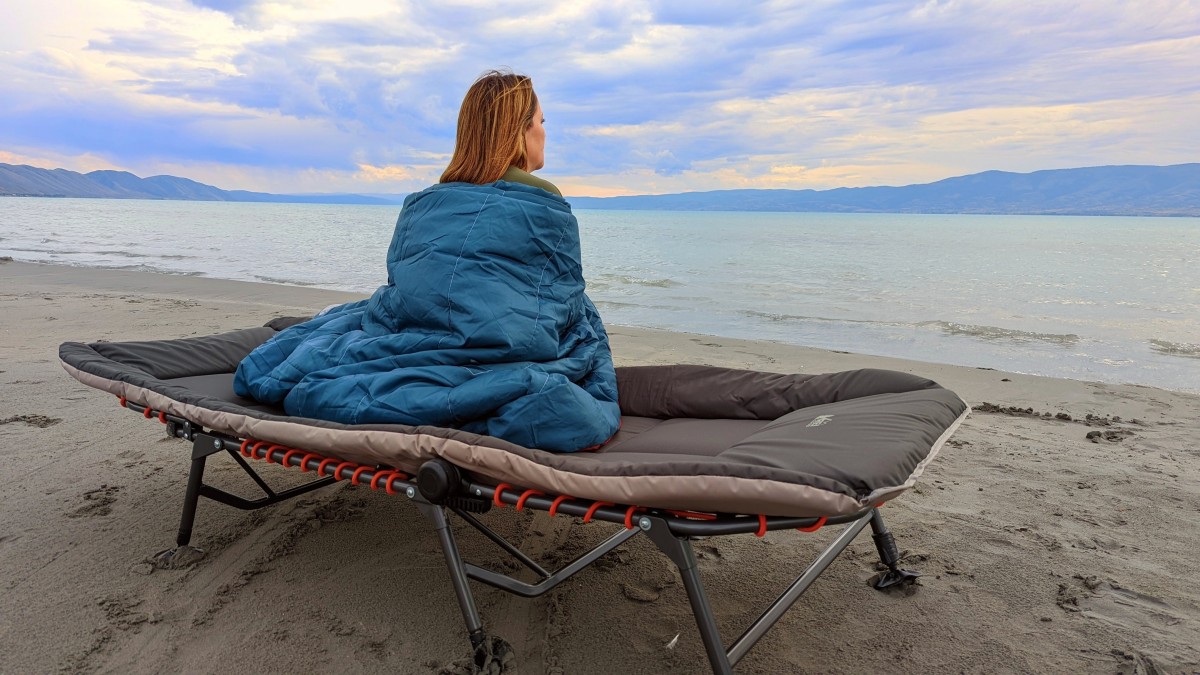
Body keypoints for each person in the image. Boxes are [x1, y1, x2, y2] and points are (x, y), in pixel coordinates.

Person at [234, 70, 621, 452]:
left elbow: (408, 282)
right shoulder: (544, 200)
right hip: (497, 342)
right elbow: (560, 299)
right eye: (541, 122)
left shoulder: (427, 201)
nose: (545, 132)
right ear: (519, 130)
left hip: (420, 326)